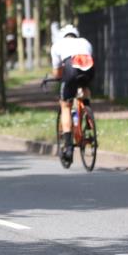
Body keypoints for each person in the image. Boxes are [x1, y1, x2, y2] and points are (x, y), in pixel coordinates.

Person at [50, 24, 95, 159]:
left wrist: (58, 78)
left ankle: (68, 147)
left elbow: (57, 73)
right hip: (88, 67)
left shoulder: (57, 45)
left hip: (70, 68)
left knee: (65, 105)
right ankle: (87, 113)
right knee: (84, 88)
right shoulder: (85, 42)